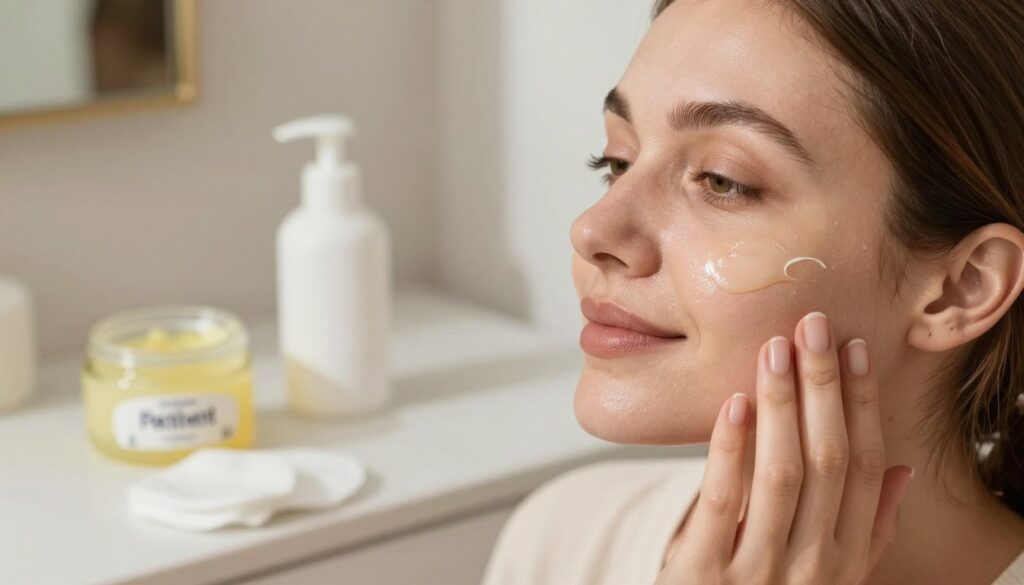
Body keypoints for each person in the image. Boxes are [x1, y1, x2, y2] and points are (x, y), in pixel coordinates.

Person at [481, 0, 1024, 583]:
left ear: (961, 289)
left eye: (723, 181)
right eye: (617, 160)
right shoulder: (564, 535)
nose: (591, 231)